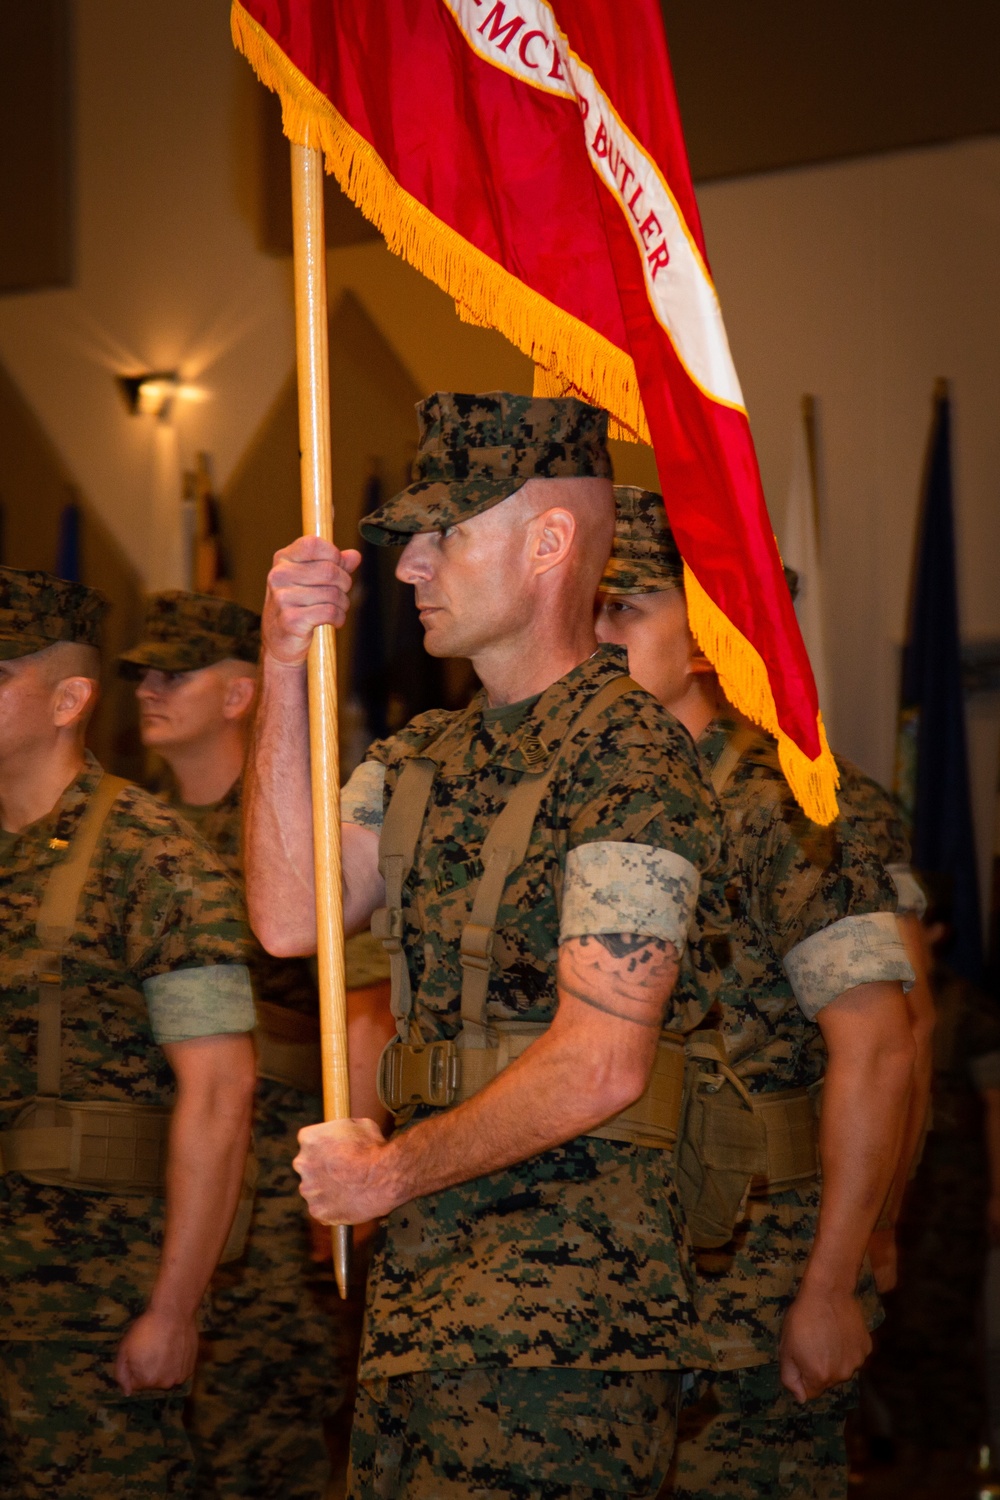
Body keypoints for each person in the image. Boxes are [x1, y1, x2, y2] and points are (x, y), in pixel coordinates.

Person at [244, 391, 734, 1500]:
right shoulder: (424, 754)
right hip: (424, 1284)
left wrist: (391, 1169)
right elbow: (288, 914)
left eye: (445, 535)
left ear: (549, 543)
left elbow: (603, 1060)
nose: (412, 566)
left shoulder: (629, 762)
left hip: (567, 1321)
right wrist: (279, 666)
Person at [593, 488, 916, 1500]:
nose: (594, 633)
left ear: (705, 642)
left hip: (749, 1271)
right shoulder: (582, 795)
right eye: (587, 608)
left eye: (624, 608)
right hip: (594, 1269)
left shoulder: (792, 804)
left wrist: (840, 1271)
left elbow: (886, 1049)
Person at [119, 589, 388, 1500]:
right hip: (157, 1153)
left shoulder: (291, 828)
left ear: (241, 695)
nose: (150, 689)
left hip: (279, 1169)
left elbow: (363, 1000)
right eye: (142, 674)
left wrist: (356, 1146)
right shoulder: (133, 835)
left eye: (175, 672)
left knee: (266, 1427)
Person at [0, 566, 257, 1500]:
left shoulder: (154, 857)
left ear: (69, 700)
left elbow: (220, 1091)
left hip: (92, 1299)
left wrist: (173, 1308)